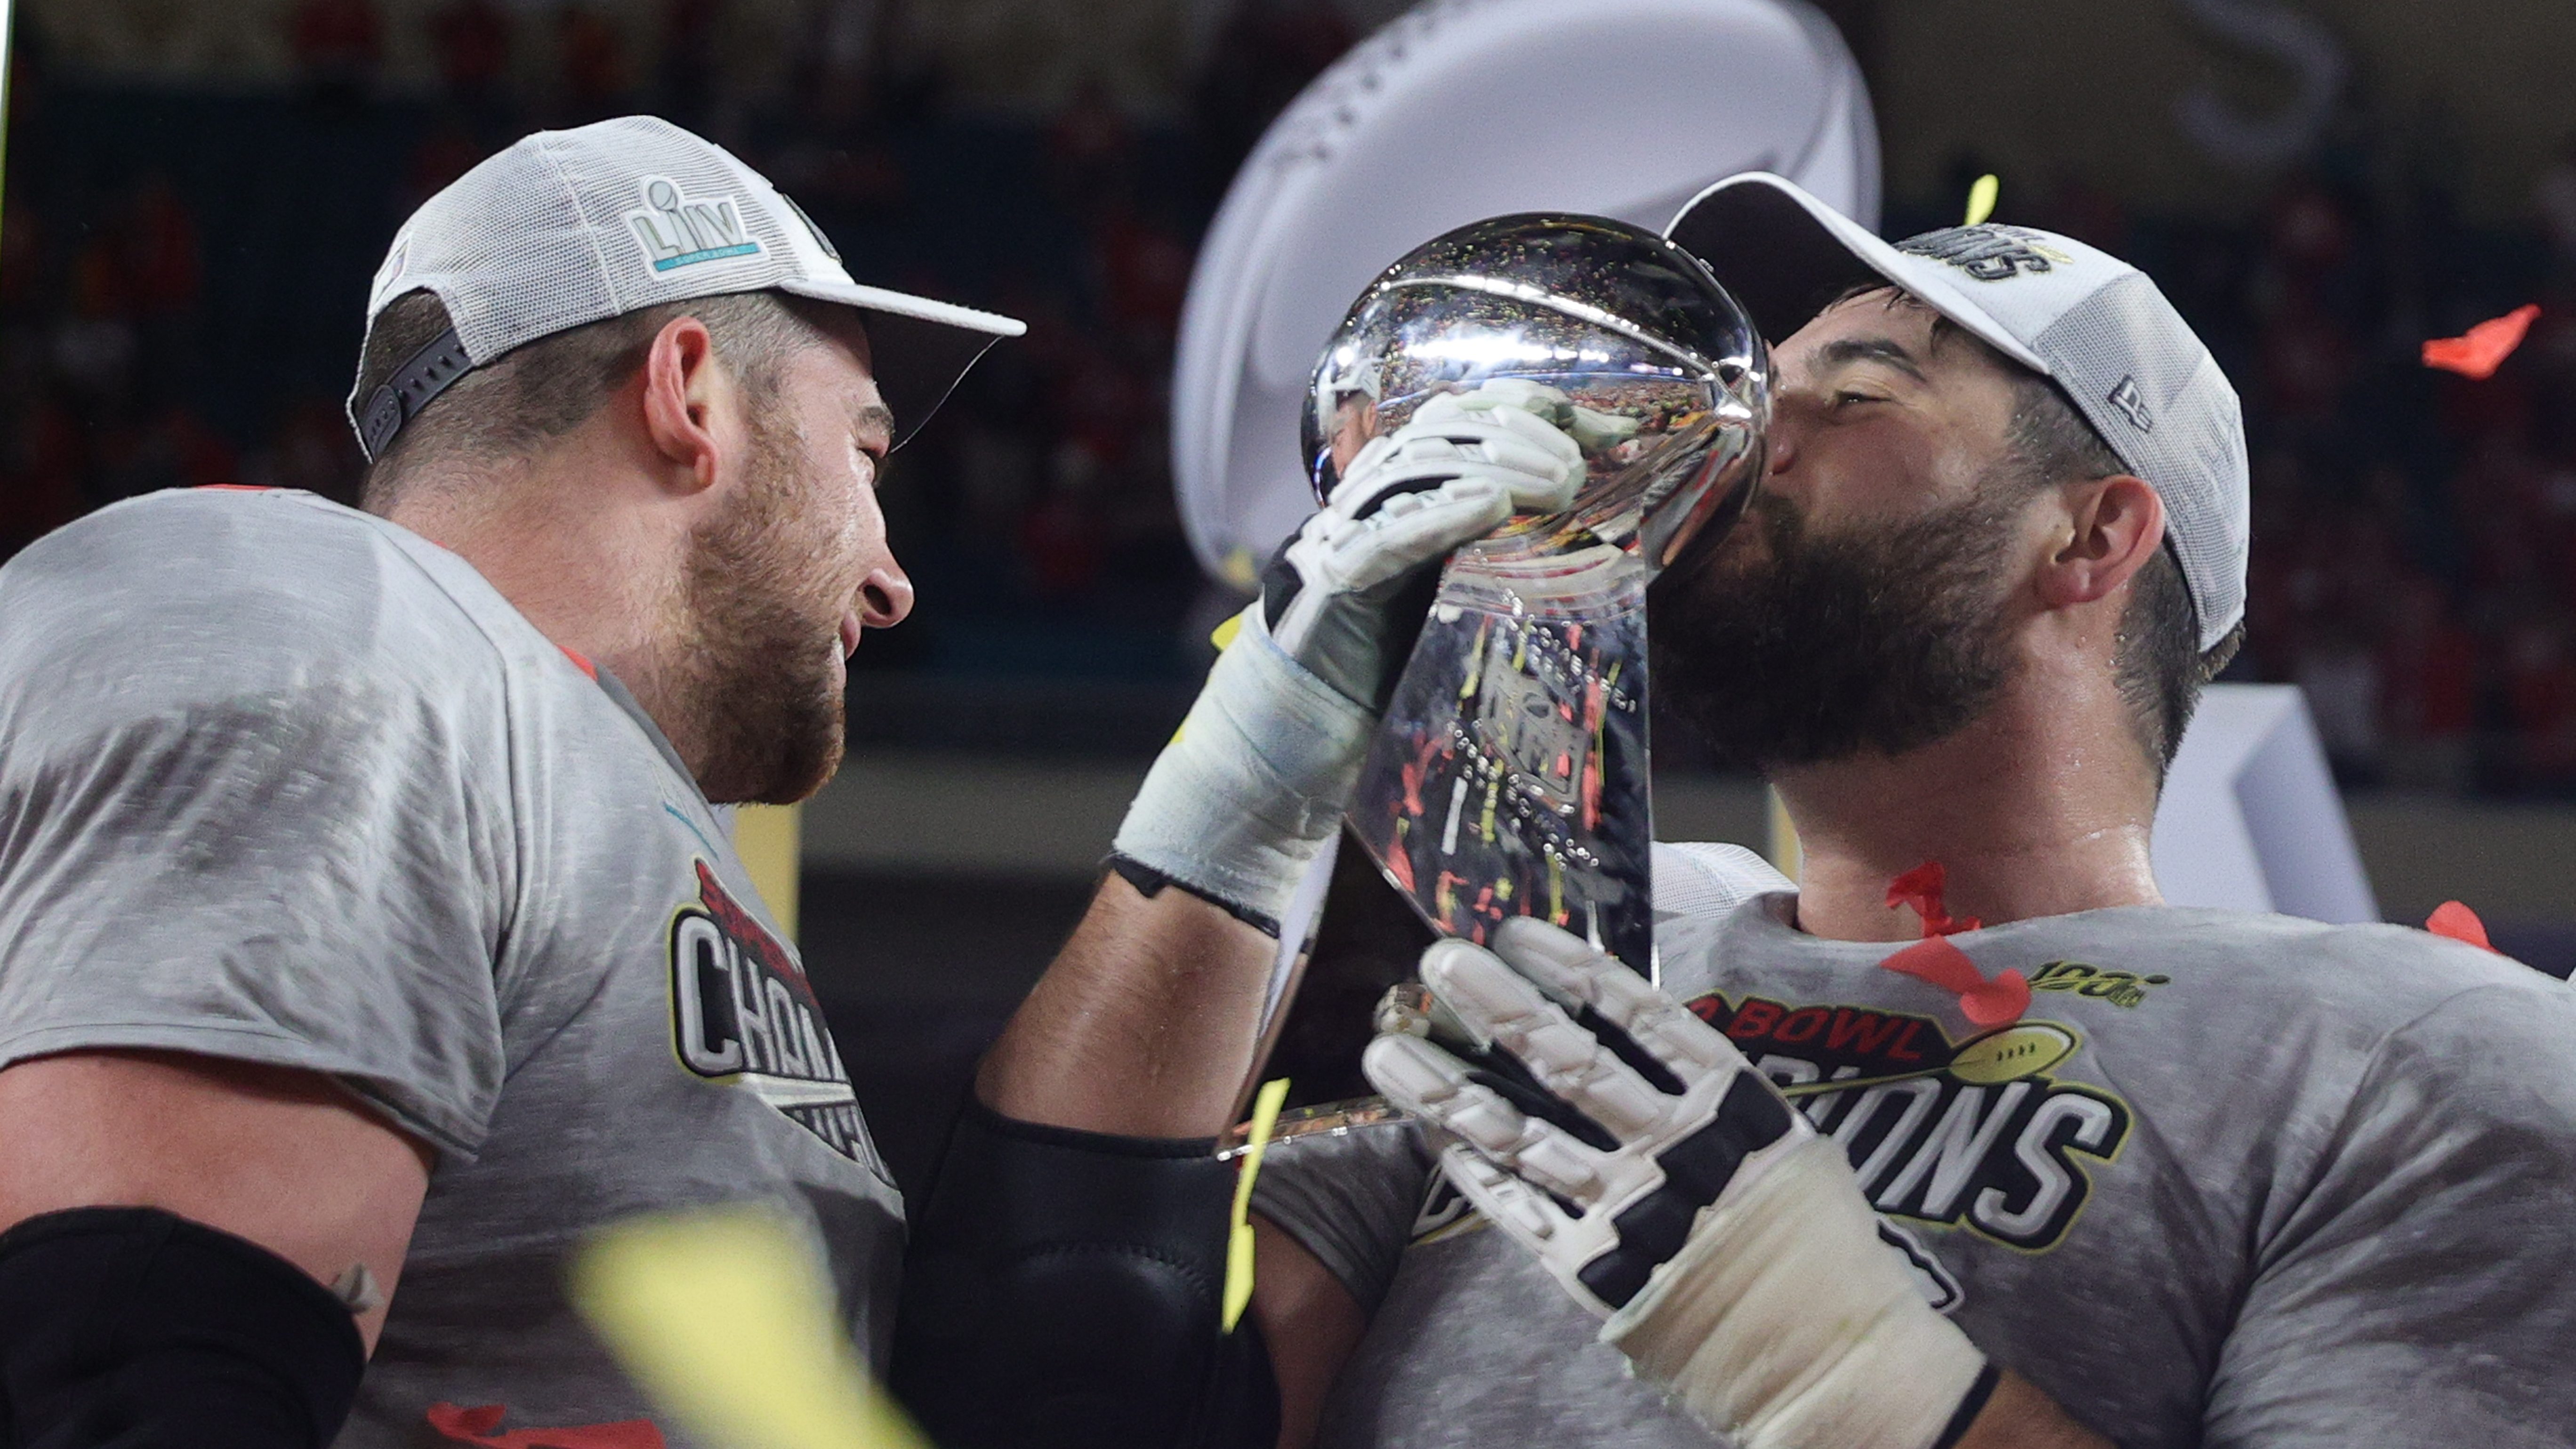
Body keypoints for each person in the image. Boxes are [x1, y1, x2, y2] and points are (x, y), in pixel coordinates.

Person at [901, 173, 2576, 1449]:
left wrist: (1820, 1350)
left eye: (1857, 391)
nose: (1740, 435)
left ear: (2091, 540)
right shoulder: (1567, 937)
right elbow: (1060, 1402)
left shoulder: (2413, 1057)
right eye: (1759, 386)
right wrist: (1246, 779)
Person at [0, 115, 1020, 1446]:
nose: (893, 584)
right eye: (865, 458)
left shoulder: (568, 769)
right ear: (690, 395)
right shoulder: (347, 636)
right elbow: (132, 1380)